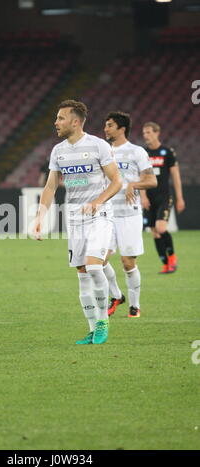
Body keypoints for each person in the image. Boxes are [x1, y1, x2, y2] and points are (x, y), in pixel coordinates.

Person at [33, 100, 122, 345]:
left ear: (75, 121)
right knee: (82, 274)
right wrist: (40, 217)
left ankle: (103, 321)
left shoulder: (98, 145)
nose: (56, 122)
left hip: (100, 216)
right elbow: (50, 186)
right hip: (75, 219)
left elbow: (117, 181)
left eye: (61, 118)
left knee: (94, 267)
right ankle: (92, 329)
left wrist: (98, 201)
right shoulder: (58, 151)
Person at [102, 111, 157, 318]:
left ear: (121, 128)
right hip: (106, 214)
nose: (105, 129)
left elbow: (152, 181)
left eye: (109, 125)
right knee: (99, 259)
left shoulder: (136, 152)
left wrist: (134, 184)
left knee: (128, 262)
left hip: (129, 215)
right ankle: (116, 295)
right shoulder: (103, 151)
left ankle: (134, 305)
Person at [141, 122, 186, 274]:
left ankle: (172, 257)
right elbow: (141, 177)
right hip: (149, 198)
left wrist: (180, 198)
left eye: (148, 132)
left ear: (157, 132)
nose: (146, 135)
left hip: (164, 197)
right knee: (154, 231)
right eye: (144, 133)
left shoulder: (167, 152)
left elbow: (176, 176)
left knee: (161, 228)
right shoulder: (144, 153)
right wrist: (143, 196)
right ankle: (165, 264)